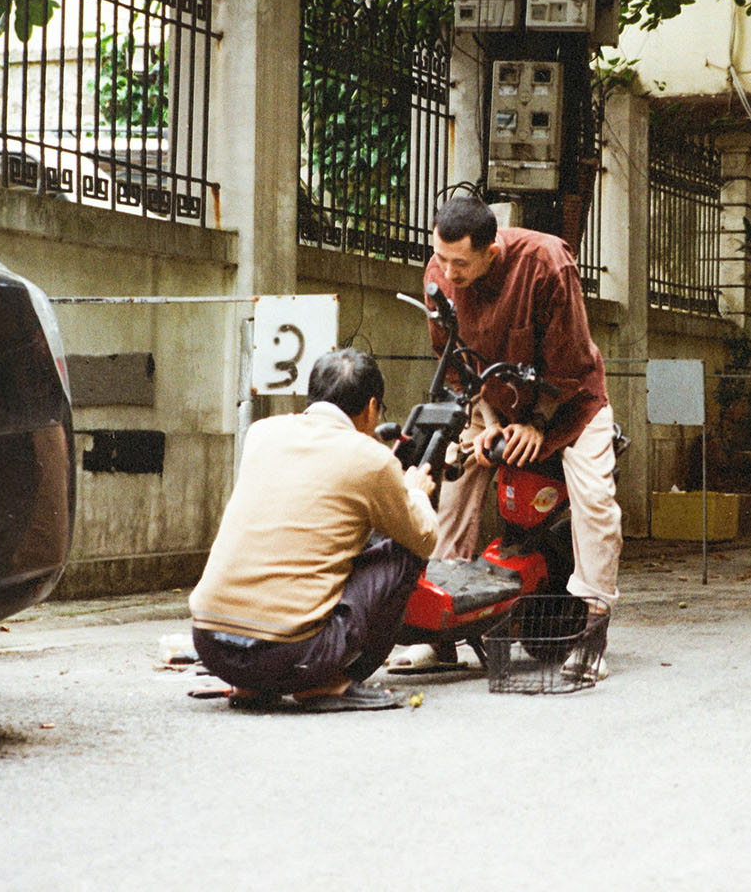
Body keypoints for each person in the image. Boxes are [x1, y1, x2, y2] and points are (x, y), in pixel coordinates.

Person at [391, 194, 621, 681]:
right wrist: (489, 422)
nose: (447, 273)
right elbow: (454, 367)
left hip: (570, 405)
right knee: (450, 484)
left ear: (491, 252)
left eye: (460, 263)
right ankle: (443, 628)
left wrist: (537, 421)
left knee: (596, 500)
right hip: (492, 402)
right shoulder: (440, 275)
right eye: (441, 258)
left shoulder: (547, 265)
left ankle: (592, 631)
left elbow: (572, 365)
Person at [189, 348, 438, 711]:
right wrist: (415, 493)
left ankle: (251, 687)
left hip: (212, 646)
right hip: (293, 655)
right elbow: (424, 538)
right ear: (371, 408)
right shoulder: (372, 458)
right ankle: (327, 683)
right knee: (405, 553)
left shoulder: (261, 433)